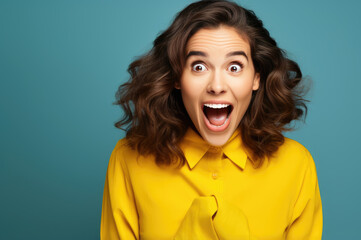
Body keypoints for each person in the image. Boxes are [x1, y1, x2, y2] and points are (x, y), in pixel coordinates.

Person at [100, 0, 323, 239]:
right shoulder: (128, 159)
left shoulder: (296, 165)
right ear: (177, 77)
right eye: (198, 66)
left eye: (234, 67)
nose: (217, 86)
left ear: (256, 78)